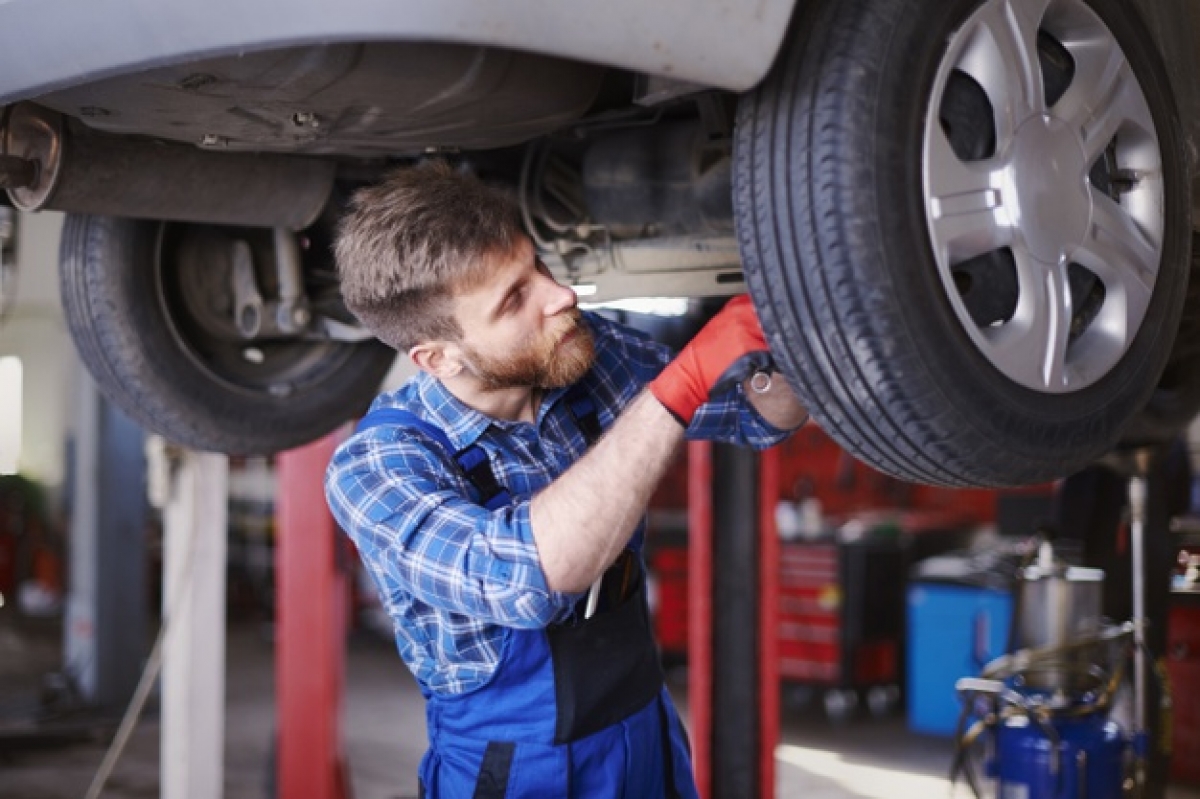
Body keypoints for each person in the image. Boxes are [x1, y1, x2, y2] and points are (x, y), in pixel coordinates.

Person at [324, 160, 808, 798]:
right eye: (514, 298)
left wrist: (799, 342)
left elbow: (755, 416)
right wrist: (675, 392)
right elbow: (527, 574)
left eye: (537, 268)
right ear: (438, 357)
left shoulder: (578, 353)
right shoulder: (378, 468)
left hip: (643, 732)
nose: (562, 297)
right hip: (516, 768)